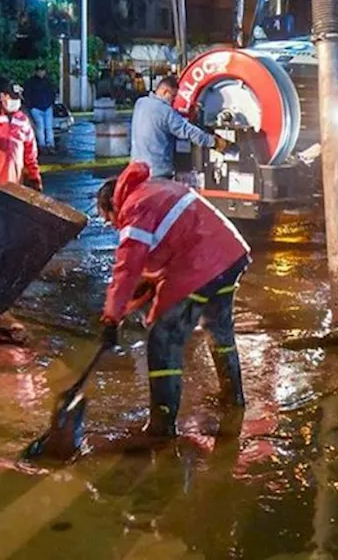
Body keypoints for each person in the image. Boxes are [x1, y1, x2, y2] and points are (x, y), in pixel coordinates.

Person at [97, 161, 251, 438]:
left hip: (202, 265)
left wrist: (111, 317)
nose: (113, 226)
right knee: (219, 332)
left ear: (113, 204)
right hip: (230, 257)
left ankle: (161, 426)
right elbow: (164, 252)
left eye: (110, 220)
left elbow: (127, 267)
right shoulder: (156, 188)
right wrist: (132, 301)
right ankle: (233, 398)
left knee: (162, 338)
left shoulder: (134, 206)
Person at [130, 76, 232, 178]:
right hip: (157, 173)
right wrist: (214, 142)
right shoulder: (166, 112)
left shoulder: (140, 103)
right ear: (165, 92)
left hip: (136, 171)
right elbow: (188, 131)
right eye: (173, 96)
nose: (174, 101)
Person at [23, 65, 58, 152]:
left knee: (47, 127)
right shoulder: (31, 82)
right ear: (36, 72)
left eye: (42, 70)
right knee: (41, 127)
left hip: (45, 107)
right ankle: (43, 146)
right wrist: (31, 106)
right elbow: (26, 95)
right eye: (39, 71)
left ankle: (49, 146)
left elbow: (53, 93)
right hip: (37, 108)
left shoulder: (47, 82)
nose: (41, 72)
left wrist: (51, 103)